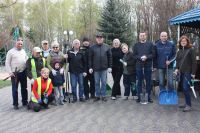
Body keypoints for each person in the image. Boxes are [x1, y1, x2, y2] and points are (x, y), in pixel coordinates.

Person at [175, 36, 196, 112]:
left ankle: (188, 105)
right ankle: (186, 103)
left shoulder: (191, 50)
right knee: (183, 88)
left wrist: (193, 73)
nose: (183, 42)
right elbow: (177, 61)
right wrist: (176, 69)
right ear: (180, 42)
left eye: (184, 41)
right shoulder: (179, 51)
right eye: (182, 41)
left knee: (185, 87)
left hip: (188, 72)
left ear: (187, 42)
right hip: (181, 72)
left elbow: (194, 62)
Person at [5, 38, 28, 109]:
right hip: (15, 74)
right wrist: (10, 72)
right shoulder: (10, 52)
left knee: (24, 88)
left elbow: (26, 59)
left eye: (21, 44)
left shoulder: (23, 51)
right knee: (15, 89)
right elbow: (7, 63)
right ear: (16, 44)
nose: (20, 45)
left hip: (23, 72)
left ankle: (25, 102)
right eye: (19, 44)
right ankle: (15, 104)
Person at [89, 33, 112, 102]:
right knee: (96, 82)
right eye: (98, 37)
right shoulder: (92, 47)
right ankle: (97, 95)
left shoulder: (107, 47)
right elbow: (90, 58)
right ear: (96, 39)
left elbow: (110, 57)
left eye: (101, 38)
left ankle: (103, 95)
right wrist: (90, 67)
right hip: (96, 69)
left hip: (104, 69)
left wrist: (110, 67)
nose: (99, 39)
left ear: (103, 39)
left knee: (104, 82)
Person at [133, 32, 155, 103]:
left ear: (146, 36)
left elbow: (153, 54)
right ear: (139, 37)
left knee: (148, 82)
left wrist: (146, 57)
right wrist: (140, 57)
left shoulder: (150, 44)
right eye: (141, 36)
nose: (142, 37)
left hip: (148, 66)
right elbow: (134, 55)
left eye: (143, 35)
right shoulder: (136, 45)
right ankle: (139, 97)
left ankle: (148, 97)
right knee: (139, 82)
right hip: (139, 66)